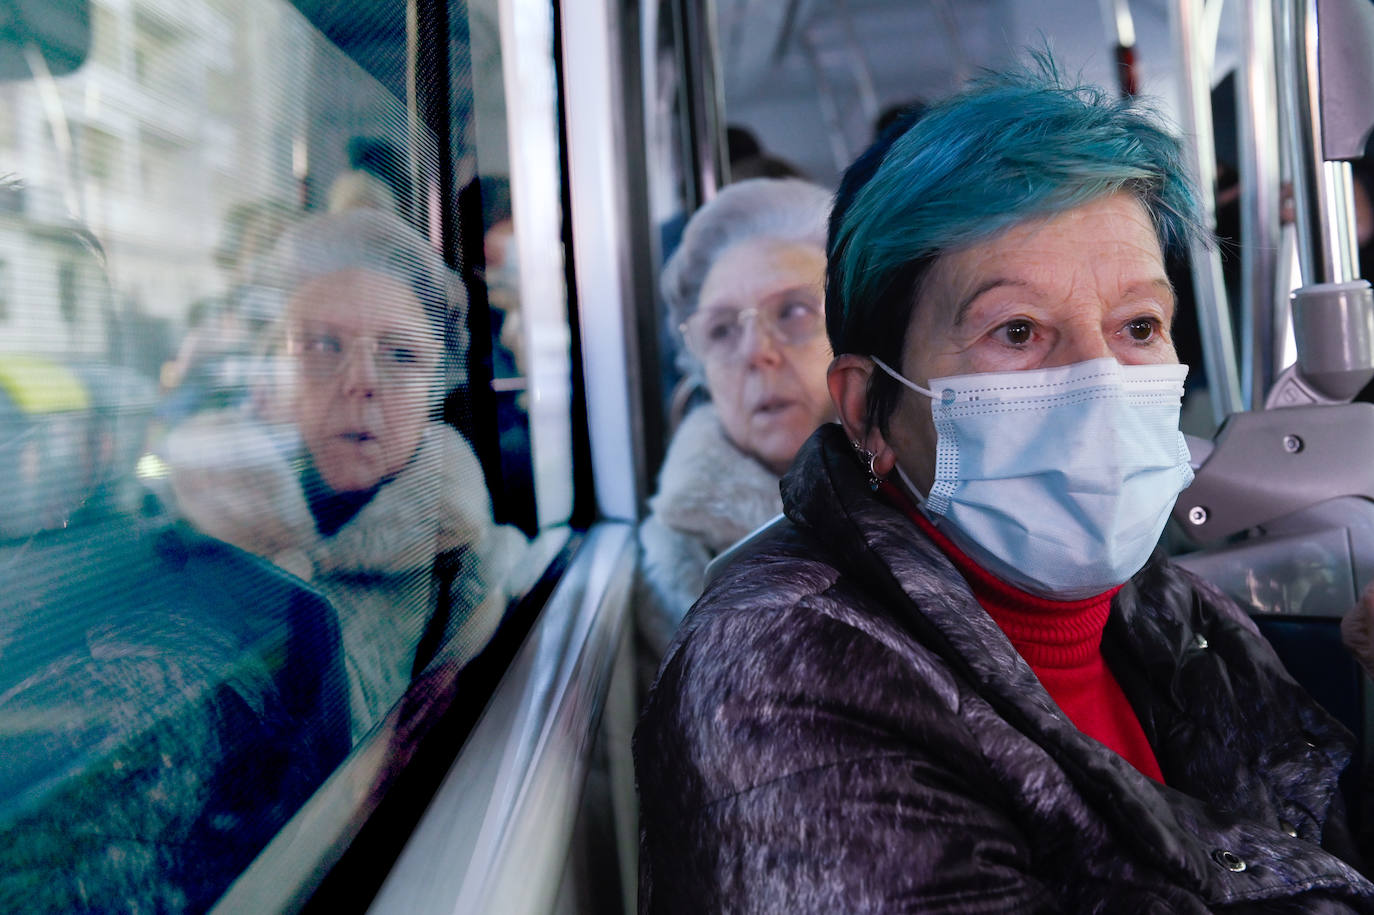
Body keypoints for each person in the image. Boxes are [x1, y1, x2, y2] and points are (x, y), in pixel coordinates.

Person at [635, 60, 1374, 912]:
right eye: (1016, 331)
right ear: (871, 411)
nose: (1100, 382)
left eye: (1138, 325)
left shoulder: (1173, 614)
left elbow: (1326, 836)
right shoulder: (781, 683)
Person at [165, 207, 526, 743]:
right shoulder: (182, 548)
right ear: (269, 378)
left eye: (401, 355)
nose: (361, 382)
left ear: (435, 386)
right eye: (321, 347)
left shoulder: (475, 579)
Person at [637, 177, 834, 685]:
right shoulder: (665, 571)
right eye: (723, 330)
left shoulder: (957, 503)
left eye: (793, 311)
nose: (754, 352)